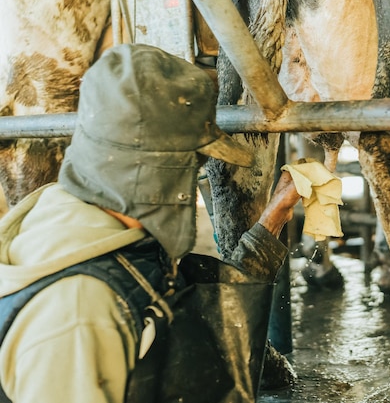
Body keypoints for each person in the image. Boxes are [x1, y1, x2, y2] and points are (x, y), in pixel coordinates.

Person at [0, 43, 301, 403]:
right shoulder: (78, 312)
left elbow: (202, 316)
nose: (194, 184)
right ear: (160, 174)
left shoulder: (101, 235)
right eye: (195, 166)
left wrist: (272, 221)